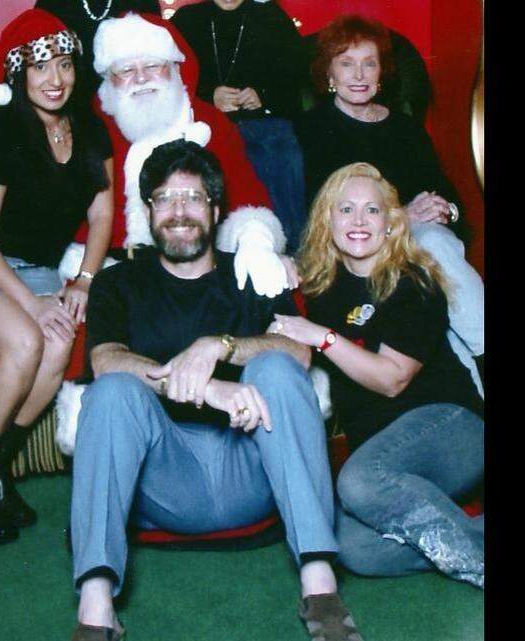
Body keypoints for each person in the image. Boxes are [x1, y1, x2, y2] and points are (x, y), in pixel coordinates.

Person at [69, 140, 364, 641]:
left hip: (251, 465)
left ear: (215, 208)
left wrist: (220, 347)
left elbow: (299, 355)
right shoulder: (119, 282)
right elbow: (105, 360)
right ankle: (96, 610)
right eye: (164, 198)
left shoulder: (248, 272)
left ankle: (321, 588)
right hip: (163, 475)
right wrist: (208, 389)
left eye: (192, 197)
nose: (178, 211)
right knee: (111, 392)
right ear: (148, 212)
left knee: (274, 366)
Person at [0, 11, 293, 300]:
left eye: (153, 65)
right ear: (109, 79)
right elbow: (40, 177)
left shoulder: (208, 121)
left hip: (200, 266)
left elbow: (249, 198)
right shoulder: (94, 124)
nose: (140, 78)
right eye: (125, 70)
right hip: (113, 270)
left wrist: (257, 244)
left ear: (174, 67)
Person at [0, 8, 114, 544]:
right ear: (18, 75)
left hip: (34, 270)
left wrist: (82, 281)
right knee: (27, 340)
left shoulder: (90, 129)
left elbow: (101, 215)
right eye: (39, 68)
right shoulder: (3, 134)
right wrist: (32, 305)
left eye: (63, 65)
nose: (55, 80)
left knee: (59, 347)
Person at [271, 162, 484, 588]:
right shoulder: (321, 288)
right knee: (356, 549)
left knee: (359, 480)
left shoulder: (414, 281)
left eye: (372, 210)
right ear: (326, 221)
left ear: (391, 222)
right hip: (387, 455)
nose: (358, 221)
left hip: (450, 428)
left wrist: (323, 338)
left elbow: (391, 379)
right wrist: (278, 262)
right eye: (345, 209)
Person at [294, 13, 484, 392]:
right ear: (328, 75)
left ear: (382, 74)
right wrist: (402, 216)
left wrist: (446, 209)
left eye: (369, 63)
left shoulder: (404, 128)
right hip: (361, 246)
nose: (359, 74)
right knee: (430, 243)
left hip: (422, 242)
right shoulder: (312, 131)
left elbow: (450, 197)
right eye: (346, 64)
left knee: (434, 242)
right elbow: (325, 213)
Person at [171, 0, 308, 253]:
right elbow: (172, 80)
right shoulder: (187, 19)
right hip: (205, 123)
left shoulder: (270, 15)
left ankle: (291, 254)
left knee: (281, 152)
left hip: (265, 124)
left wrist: (263, 96)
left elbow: (296, 77)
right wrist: (209, 96)